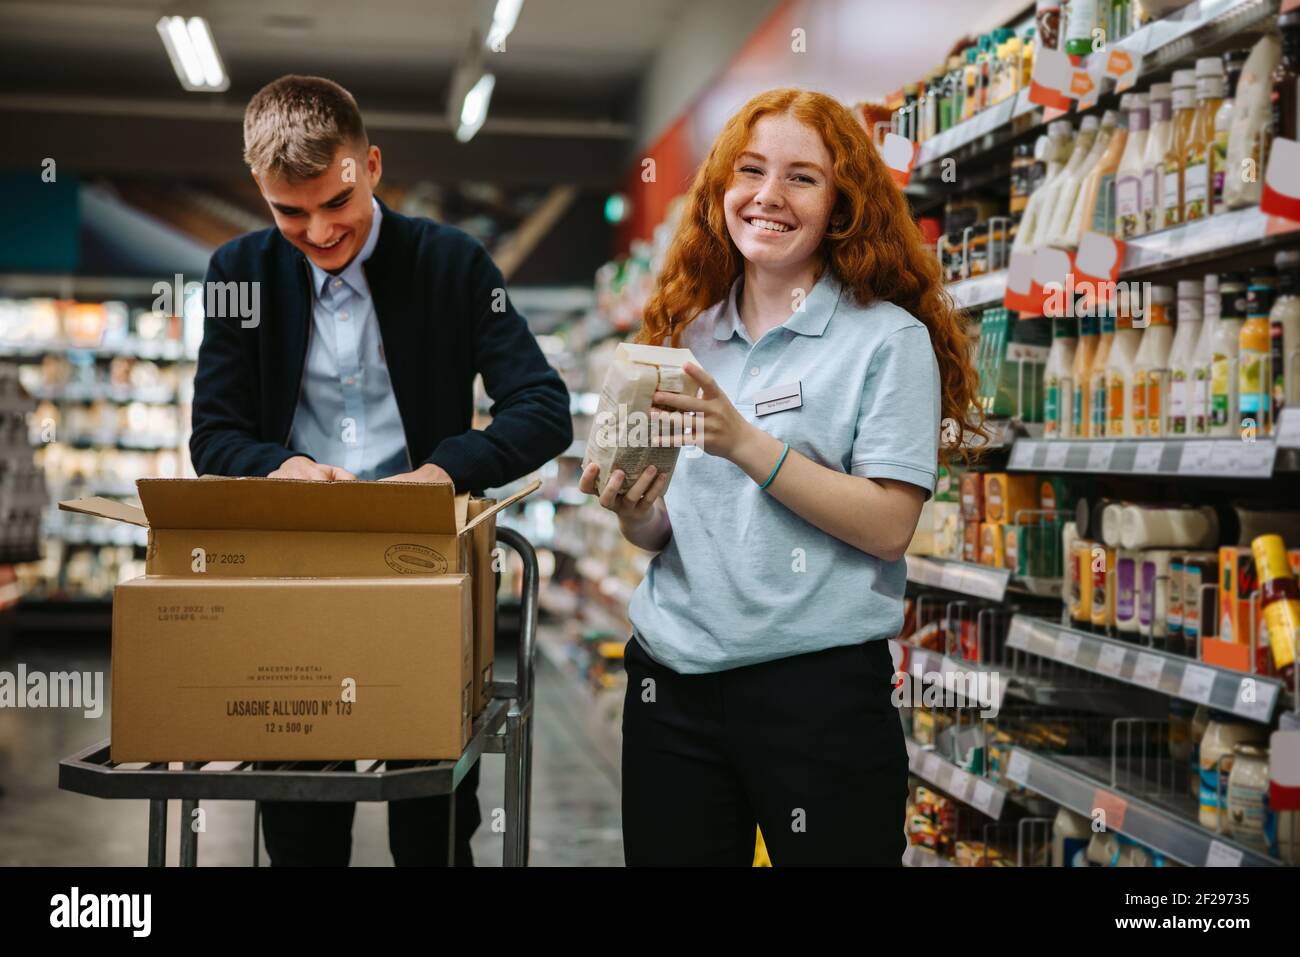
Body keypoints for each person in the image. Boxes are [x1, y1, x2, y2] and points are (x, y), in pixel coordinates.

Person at [580, 88, 984, 866]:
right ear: (721, 190)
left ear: (842, 204)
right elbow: (666, 531)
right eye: (751, 170)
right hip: (674, 683)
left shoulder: (885, 340)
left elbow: (889, 523)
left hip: (818, 698)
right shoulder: (688, 333)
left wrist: (744, 442)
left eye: (802, 177)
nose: (768, 195)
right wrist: (633, 509)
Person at [189, 75, 572, 865]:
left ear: (370, 162)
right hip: (296, 571)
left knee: (432, 814)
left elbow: (542, 405)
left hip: (426, 564)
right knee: (298, 813)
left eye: (337, 200)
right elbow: (214, 435)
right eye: (289, 212)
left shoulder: (453, 264)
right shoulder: (238, 274)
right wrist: (283, 466)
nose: (320, 230)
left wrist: (444, 472)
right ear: (260, 193)